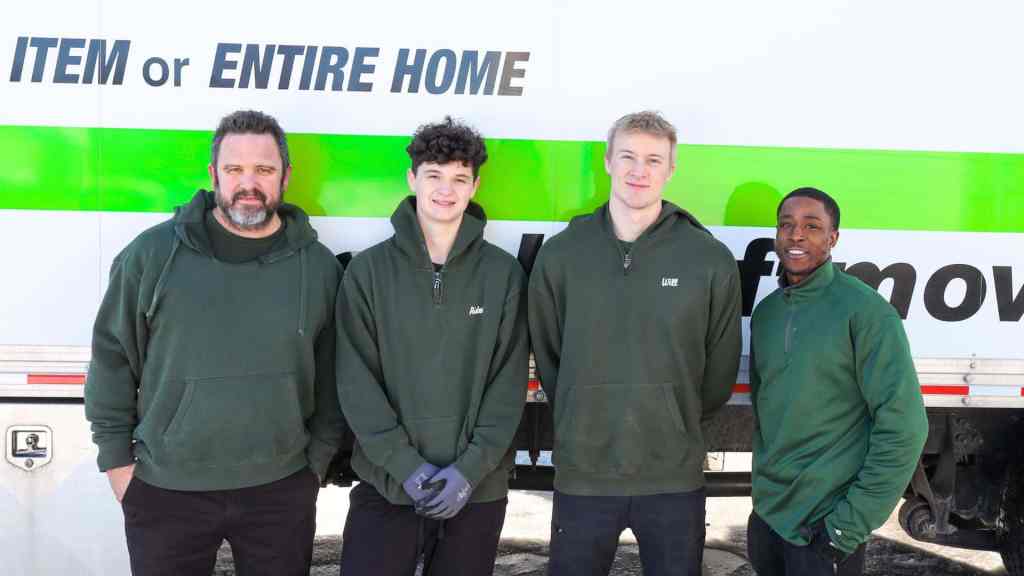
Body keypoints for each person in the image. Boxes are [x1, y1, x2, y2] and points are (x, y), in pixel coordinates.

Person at [84, 110, 344, 576]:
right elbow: (112, 360)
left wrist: (315, 464)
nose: (249, 183)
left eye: (263, 170)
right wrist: (118, 465)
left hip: (280, 488)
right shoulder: (152, 256)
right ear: (213, 175)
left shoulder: (319, 268)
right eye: (234, 169)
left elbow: (332, 373)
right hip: (166, 488)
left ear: (285, 176)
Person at [528, 110, 742, 576]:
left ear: (671, 169)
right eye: (627, 156)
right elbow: (549, 355)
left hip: (672, 475)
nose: (638, 170)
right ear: (607, 162)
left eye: (652, 159)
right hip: (585, 474)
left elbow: (719, 369)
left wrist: (670, 414)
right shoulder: (563, 254)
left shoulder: (707, 258)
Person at [335, 116, 528, 575]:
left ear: (475, 185)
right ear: (412, 178)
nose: (446, 189)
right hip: (387, 486)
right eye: (434, 175)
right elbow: (355, 382)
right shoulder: (368, 273)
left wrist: (469, 470)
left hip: (476, 491)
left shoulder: (502, 276)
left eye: (460, 178)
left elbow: (508, 382)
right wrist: (407, 468)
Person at [746, 187, 928, 576]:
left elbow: (904, 428)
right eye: (786, 225)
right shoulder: (767, 314)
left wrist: (846, 527)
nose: (796, 235)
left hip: (824, 527)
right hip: (768, 519)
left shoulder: (866, 313)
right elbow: (765, 413)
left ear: (833, 238)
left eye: (812, 226)